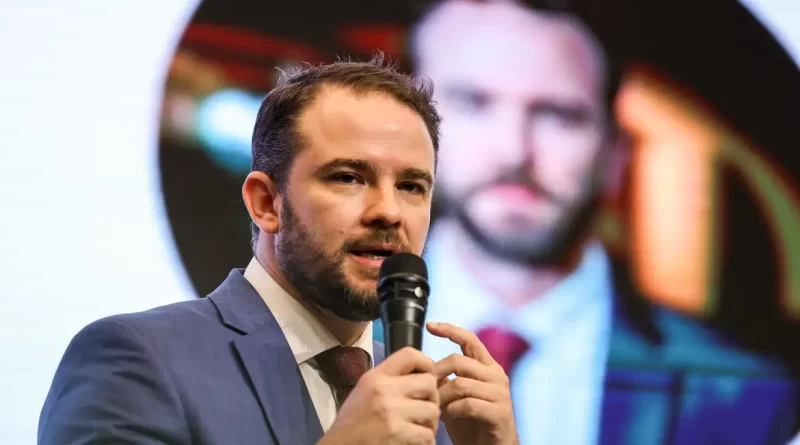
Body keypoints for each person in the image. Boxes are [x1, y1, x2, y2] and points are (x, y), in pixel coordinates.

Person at [38, 56, 520, 445]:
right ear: (266, 203)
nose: (389, 211)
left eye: (412, 186)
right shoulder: (136, 359)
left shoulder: (435, 413)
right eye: (349, 177)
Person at [410, 1, 799, 444]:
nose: (514, 151)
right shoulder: (341, 344)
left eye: (558, 114)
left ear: (616, 152)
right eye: (473, 103)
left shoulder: (745, 396)